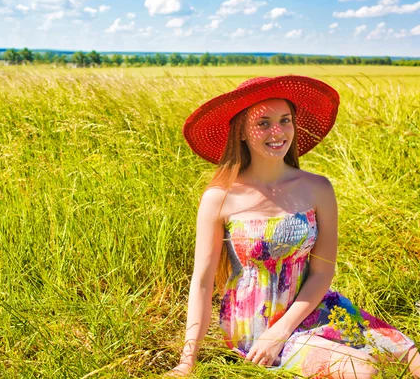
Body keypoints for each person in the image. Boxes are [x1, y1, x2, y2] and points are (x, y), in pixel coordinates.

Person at [167, 76, 419, 378]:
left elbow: (322, 271)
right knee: (363, 370)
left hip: (313, 307)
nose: (277, 132)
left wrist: (286, 326)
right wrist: (187, 360)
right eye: (263, 123)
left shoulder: (318, 188)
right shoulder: (220, 197)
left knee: (411, 358)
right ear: (242, 133)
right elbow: (203, 283)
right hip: (255, 323)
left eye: (285, 120)